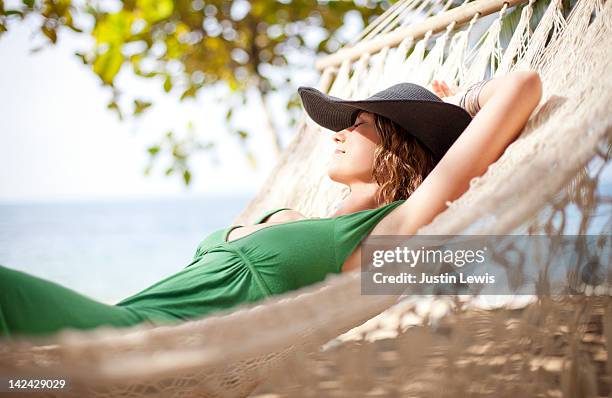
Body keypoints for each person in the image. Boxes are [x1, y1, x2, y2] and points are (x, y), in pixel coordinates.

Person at [0, 70, 542, 338]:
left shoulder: (390, 232)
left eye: (359, 123)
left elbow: (522, 84)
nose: (337, 134)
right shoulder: (303, 217)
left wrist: (451, 108)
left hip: (141, 342)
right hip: (116, 327)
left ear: (401, 146)